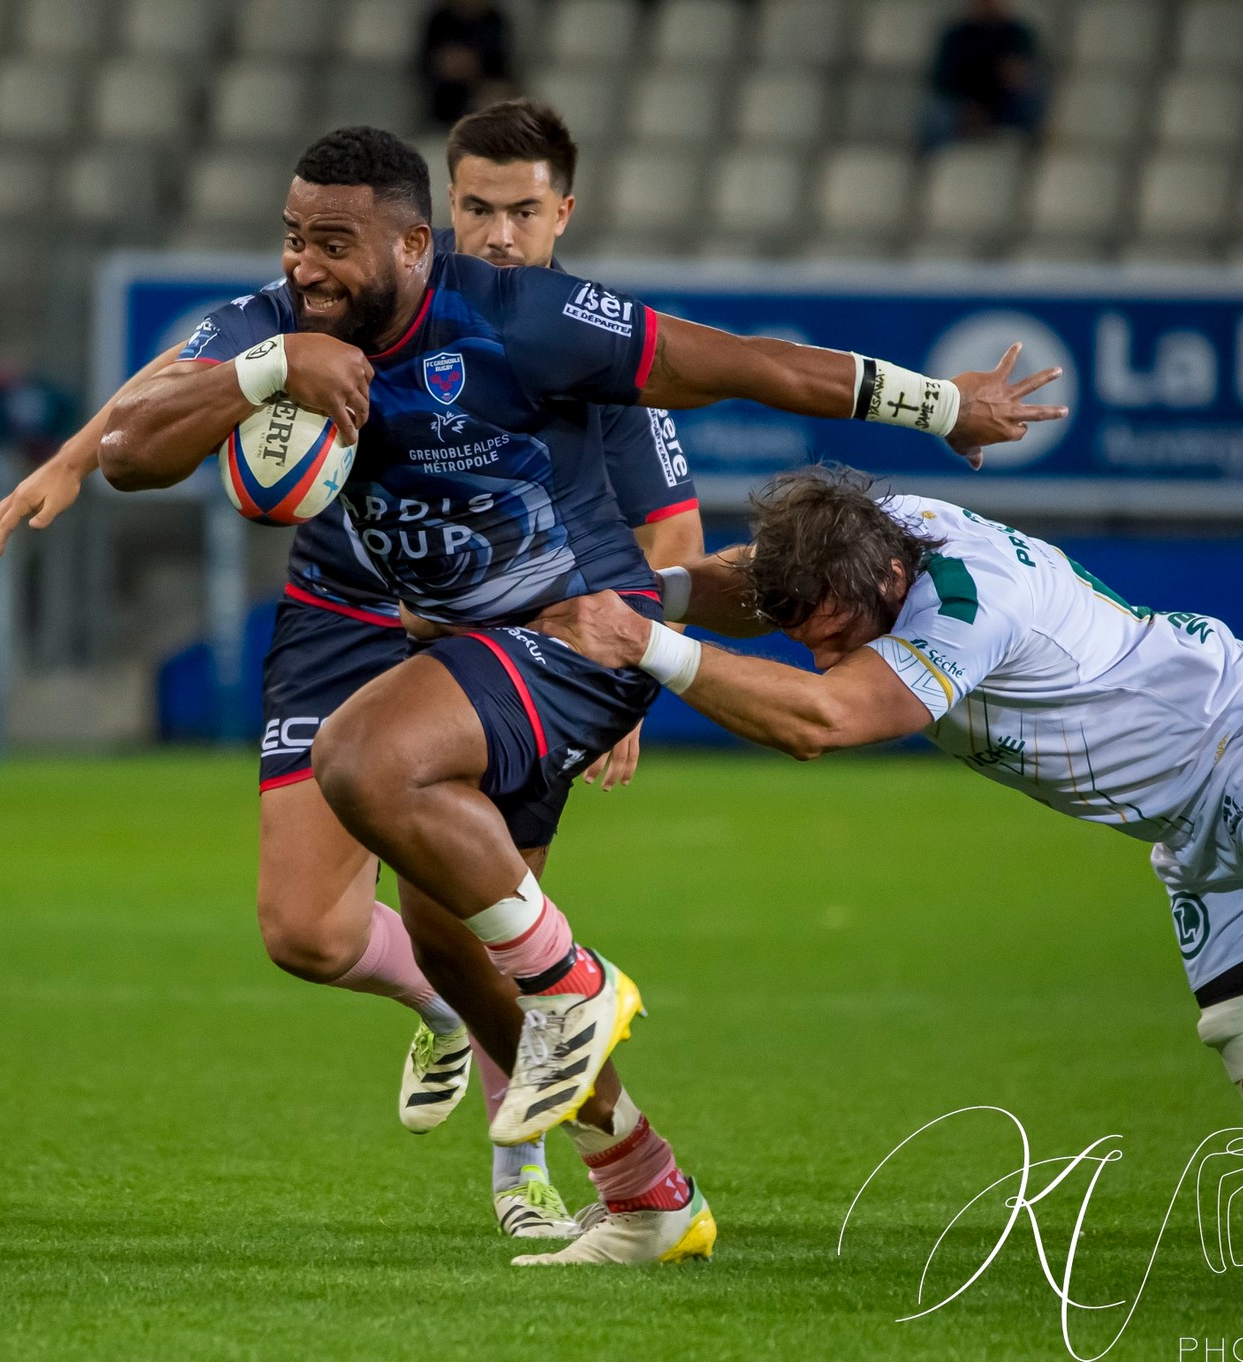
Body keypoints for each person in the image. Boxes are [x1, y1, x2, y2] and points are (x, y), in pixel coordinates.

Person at [95, 126, 1061, 1262]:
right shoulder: (273, 326)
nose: (307, 264)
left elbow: (743, 364)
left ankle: (573, 981)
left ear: (413, 245)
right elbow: (127, 451)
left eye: (335, 243)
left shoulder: (519, 318)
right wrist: (266, 373)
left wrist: (939, 406)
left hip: (580, 635)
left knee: (363, 761)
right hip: (460, 652)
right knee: (452, 950)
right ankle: (647, 1194)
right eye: (293, 236)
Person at [0, 99, 705, 1244]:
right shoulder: (352, 293)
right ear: (436, 215)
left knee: (478, 924)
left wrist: (640, 673)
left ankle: (529, 1176)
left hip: (497, 635)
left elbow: (670, 522)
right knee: (305, 934)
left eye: (522, 212)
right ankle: (434, 1006)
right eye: (477, 208)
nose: (499, 233)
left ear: (562, 214)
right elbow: (200, 356)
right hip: (339, 612)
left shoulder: (570, 341)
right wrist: (79, 455)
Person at [534, 466, 1243, 1173]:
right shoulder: (872, 541)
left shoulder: (970, 605)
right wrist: (648, 596)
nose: (824, 658)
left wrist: (644, 642)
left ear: (891, 581)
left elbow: (824, 722)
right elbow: (752, 578)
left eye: (837, 639)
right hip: (1195, 831)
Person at [924, 0, 1044, 149]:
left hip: (1004, 104)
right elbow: (942, 78)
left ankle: (1026, 148)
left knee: (1033, 94)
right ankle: (936, 157)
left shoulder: (1018, 34)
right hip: (962, 104)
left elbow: (1020, 75)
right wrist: (968, 107)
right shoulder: (955, 36)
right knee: (935, 113)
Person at [419, 0, 514, 127]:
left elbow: (500, 66)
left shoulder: (494, 19)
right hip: (445, 97)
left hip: (484, 91)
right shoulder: (439, 20)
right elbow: (428, 64)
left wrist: (475, 68)